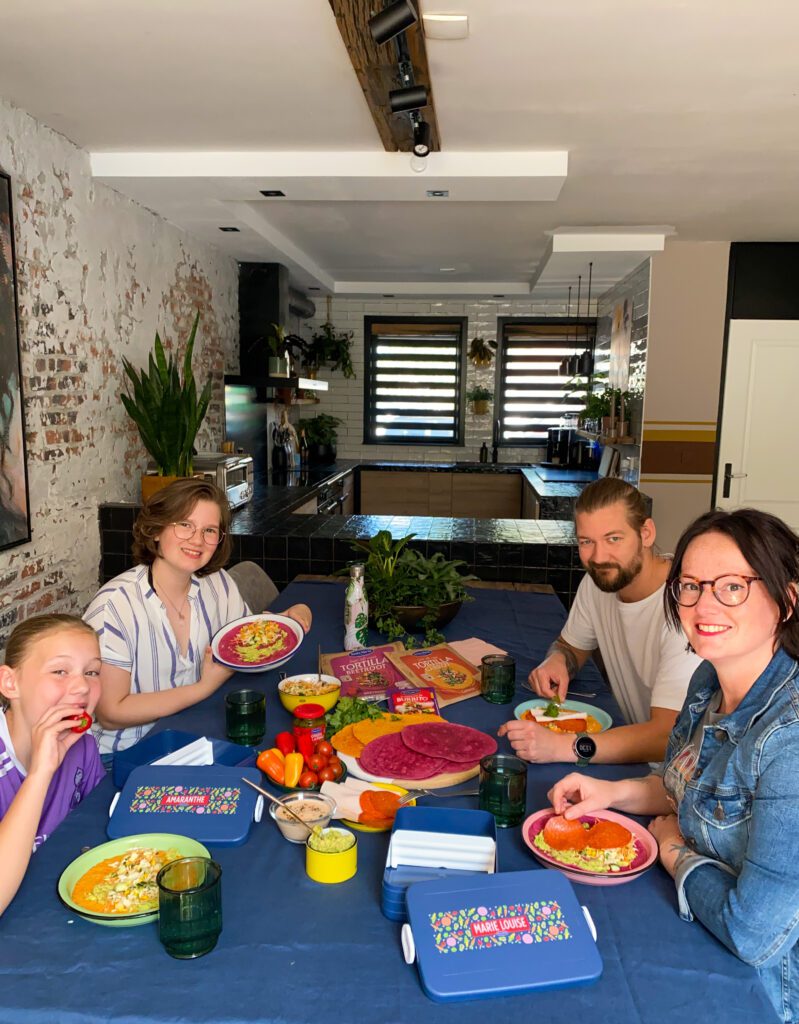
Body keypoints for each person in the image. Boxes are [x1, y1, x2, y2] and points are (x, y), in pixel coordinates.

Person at [548, 507, 799, 1024]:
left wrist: (672, 851)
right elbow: (689, 787)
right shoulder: (709, 682)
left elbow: (753, 933)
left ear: (788, 600)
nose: (703, 604)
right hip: (698, 932)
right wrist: (609, 794)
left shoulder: (790, 737)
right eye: (690, 585)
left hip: (765, 993)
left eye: (732, 586)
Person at [84, 478, 312, 758]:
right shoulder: (114, 607)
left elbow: (248, 645)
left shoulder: (217, 583)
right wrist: (203, 688)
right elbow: (111, 712)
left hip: (192, 735)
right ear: (156, 529)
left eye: (209, 530)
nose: (197, 540)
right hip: (125, 756)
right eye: (184, 525)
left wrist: (287, 620)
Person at [499, 478, 700, 764]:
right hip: (632, 754)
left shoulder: (685, 608)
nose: (598, 556)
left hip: (680, 780)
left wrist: (563, 747)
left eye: (613, 539)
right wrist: (557, 659)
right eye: (586, 542)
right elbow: (570, 647)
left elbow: (666, 736)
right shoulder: (596, 584)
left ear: (646, 533)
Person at [0, 614, 104, 915]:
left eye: (92, 672)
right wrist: (40, 773)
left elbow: (94, 833)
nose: (83, 687)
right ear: (10, 682)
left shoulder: (81, 745)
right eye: (60, 671)